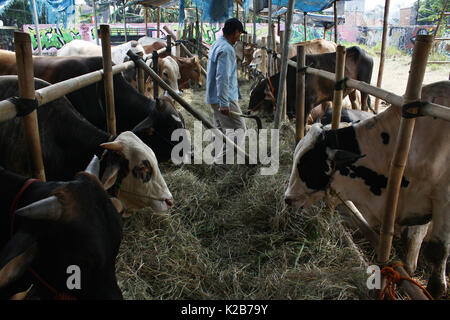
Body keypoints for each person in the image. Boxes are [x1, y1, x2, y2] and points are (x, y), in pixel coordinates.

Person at [206, 18, 247, 166]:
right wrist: (224, 103)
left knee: (220, 132)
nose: (239, 37)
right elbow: (222, 77)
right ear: (235, 32)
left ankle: (213, 161)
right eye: (240, 34)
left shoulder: (216, 44)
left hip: (213, 98)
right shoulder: (227, 50)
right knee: (239, 132)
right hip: (224, 99)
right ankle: (220, 166)